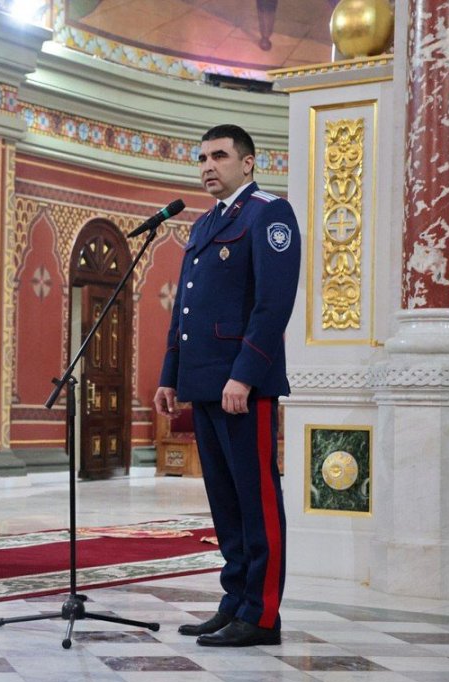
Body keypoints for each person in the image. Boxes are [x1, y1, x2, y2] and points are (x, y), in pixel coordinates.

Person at [154, 124, 300, 647]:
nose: (208, 165)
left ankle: (262, 615)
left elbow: (272, 304)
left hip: (243, 387)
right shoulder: (205, 223)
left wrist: (245, 373)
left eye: (219, 155)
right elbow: (184, 309)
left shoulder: (268, 213)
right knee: (225, 502)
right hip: (204, 383)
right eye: (201, 158)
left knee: (256, 499)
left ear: (249, 162)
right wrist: (171, 376)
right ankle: (235, 600)